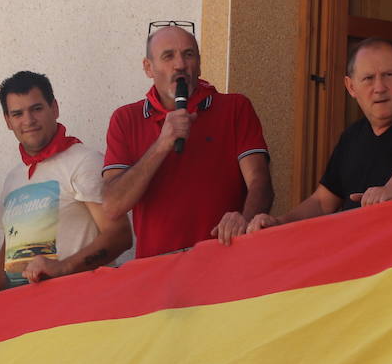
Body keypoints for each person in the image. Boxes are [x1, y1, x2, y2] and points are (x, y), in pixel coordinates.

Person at [101, 23, 273, 257]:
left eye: (188, 54)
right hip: (157, 270)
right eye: (168, 56)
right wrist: (163, 143)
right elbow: (113, 206)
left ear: (199, 64)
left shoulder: (234, 108)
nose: (180, 64)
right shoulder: (125, 119)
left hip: (224, 258)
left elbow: (260, 182)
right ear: (148, 67)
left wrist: (244, 218)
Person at [248, 37, 392, 231]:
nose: (380, 87)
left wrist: (391, 189)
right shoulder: (351, 136)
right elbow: (322, 202)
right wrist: (280, 223)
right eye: (368, 78)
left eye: (389, 75)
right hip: (359, 257)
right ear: (351, 87)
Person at [0, 71, 132, 298]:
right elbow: (11, 250)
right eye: (17, 113)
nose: (28, 120)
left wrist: (62, 268)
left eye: (36, 109)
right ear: (7, 121)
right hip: (28, 315)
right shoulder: (13, 178)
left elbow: (120, 236)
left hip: (84, 304)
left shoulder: (85, 161)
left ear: (54, 108)